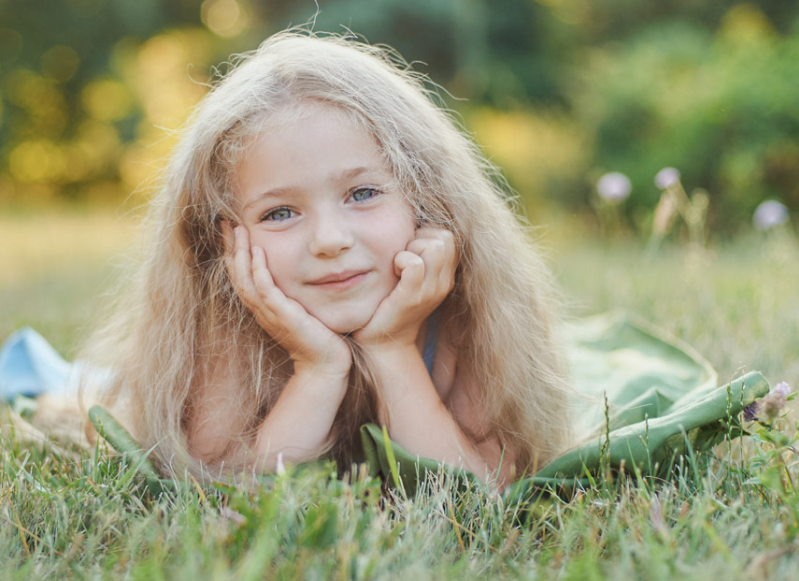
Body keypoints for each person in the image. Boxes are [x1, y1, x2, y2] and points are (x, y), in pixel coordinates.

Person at [82, 31, 571, 490]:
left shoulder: (462, 308)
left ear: (426, 201)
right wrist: (317, 367)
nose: (329, 241)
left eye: (362, 193)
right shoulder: (231, 320)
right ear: (226, 240)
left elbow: (482, 488)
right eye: (279, 212)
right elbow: (225, 485)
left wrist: (392, 347)